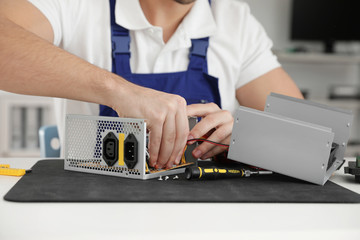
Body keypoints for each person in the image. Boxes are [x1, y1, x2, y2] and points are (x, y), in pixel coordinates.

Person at [0, 0, 303, 169]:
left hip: (206, 216)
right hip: (90, 212)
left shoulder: (235, 19)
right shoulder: (76, 5)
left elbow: (304, 136)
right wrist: (120, 92)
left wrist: (246, 136)